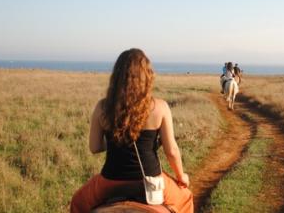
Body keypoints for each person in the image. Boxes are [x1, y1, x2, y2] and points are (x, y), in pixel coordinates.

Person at [70, 48, 193, 213]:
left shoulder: (102, 107)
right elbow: (171, 151)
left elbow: (95, 147)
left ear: (117, 76)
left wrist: (117, 138)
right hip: (150, 179)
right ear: (147, 75)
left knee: (77, 203)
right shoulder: (160, 107)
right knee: (186, 198)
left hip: (110, 180)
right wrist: (181, 177)